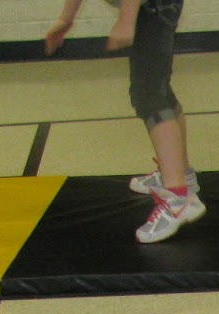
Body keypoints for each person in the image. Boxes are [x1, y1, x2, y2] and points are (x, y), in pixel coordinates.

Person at [44, 0, 204, 244]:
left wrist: (126, 19)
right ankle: (180, 173)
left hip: (153, 6)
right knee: (157, 90)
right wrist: (66, 20)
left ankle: (177, 200)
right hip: (150, 6)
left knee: (149, 95)